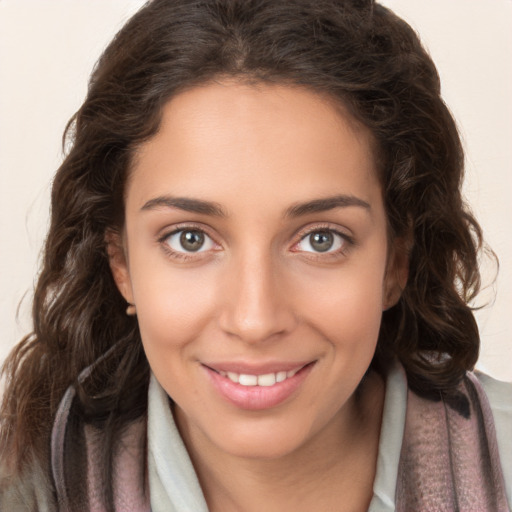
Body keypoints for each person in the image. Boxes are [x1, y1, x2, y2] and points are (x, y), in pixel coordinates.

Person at [1, 0, 510, 510]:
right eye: (190, 239)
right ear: (122, 264)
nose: (254, 320)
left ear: (395, 263)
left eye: (321, 239)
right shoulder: (26, 486)